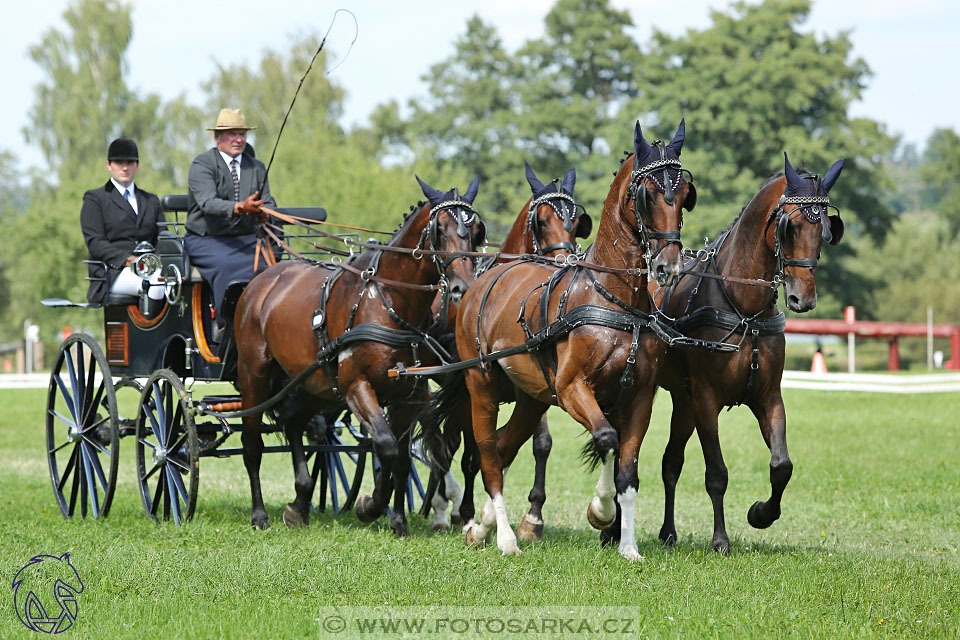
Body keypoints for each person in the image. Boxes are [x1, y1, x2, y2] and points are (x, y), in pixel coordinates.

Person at [184, 108, 277, 328]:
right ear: (218, 137)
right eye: (232, 133)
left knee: (274, 263)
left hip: (246, 238)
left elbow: (269, 202)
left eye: (242, 134)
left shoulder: (256, 167)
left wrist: (265, 213)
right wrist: (240, 207)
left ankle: (266, 322)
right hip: (207, 240)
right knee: (227, 265)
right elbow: (207, 202)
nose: (238, 139)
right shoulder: (202, 165)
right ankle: (225, 325)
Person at [80, 137, 166, 311]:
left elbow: (162, 237)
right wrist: (129, 260)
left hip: (150, 267)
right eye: (119, 163)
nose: (125, 168)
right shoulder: (95, 199)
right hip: (113, 272)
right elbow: (96, 243)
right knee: (155, 283)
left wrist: (156, 260)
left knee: (176, 282)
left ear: (137, 165)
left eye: (130, 162)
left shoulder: (150, 200)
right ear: (109, 165)